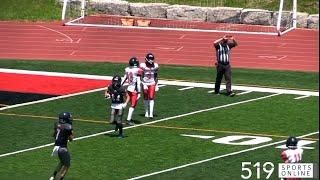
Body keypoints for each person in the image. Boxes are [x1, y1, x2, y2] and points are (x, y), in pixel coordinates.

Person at [50, 112, 74, 180]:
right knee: (67, 165)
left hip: (56, 147)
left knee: (62, 162)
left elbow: (54, 135)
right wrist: (71, 132)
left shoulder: (57, 124)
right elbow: (71, 139)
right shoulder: (68, 126)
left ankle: (53, 176)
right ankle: (60, 179)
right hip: (62, 148)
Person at [121, 57, 142, 125]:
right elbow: (138, 82)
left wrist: (120, 85)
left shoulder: (127, 69)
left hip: (129, 88)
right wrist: (139, 92)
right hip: (134, 90)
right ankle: (128, 119)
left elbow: (124, 78)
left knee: (128, 103)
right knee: (133, 105)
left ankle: (121, 117)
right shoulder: (138, 70)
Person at [140, 53, 159, 119]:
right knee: (145, 97)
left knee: (151, 97)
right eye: (150, 59)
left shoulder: (156, 65)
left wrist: (157, 84)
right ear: (146, 59)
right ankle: (146, 112)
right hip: (144, 82)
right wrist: (143, 84)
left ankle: (151, 113)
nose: (151, 61)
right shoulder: (142, 65)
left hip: (152, 83)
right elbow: (140, 76)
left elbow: (156, 76)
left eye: (152, 59)